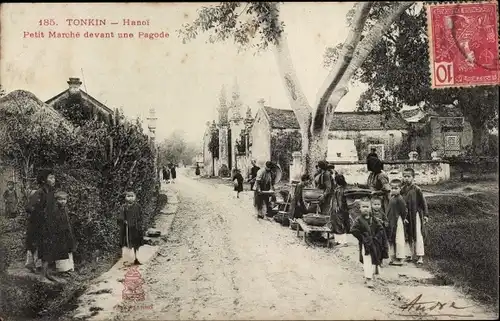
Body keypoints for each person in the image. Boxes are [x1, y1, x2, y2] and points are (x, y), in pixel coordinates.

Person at [25, 170, 57, 279]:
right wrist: (40, 214)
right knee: (41, 247)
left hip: (49, 224)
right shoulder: (39, 192)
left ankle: (46, 273)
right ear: (44, 180)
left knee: (48, 247)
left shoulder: (51, 192)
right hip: (39, 225)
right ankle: (42, 275)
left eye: (54, 178)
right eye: (51, 177)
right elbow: (29, 208)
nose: (54, 180)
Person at [350, 197, 388, 288]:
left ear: (370, 208)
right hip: (365, 244)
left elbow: (381, 228)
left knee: (374, 257)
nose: (365, 209)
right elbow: (353, 230)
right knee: (367, 259)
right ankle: (368, 279)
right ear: (360, 208)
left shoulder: (373, 219)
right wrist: (362, 237)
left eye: (367, 207)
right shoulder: (359, 220)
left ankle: (373, 271)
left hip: (374, 243)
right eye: (363, 207)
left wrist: (376, 237)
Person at [401, 168, 429, 265]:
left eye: (408, 176)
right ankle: (409, 254)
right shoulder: (402, 190)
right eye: (404, 176)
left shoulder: (417, 189)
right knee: (407, 233)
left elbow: (423, 202)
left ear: (413, 177)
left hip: (415, 214)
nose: (406, 178)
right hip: (406, 215)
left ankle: (420, 256)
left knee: (417, 234)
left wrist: (425, 215)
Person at [52, 191, 77, 276]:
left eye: (64, 199)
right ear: (56, 200)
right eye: (60, 199)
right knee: (61, 250)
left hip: (66, 232)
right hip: (59, 233)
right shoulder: (55, 210)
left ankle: (69, 268)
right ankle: (62, 270)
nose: (62, 201)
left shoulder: (65, 209)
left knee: (69, 249)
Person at [118, 189, 144, 266]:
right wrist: (123, 220)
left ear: (135, 197)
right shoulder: (123, 207)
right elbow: (121, 217)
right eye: (128, 196)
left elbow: (140, 216)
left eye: (132, 196)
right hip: (127, 229)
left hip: (135, 228)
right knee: (127, 244)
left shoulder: (138, 206)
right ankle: (127, 260)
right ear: (125, 197)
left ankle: (136, 258)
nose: (130, 198)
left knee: (136, 244)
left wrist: (140, 224)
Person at [386, 179, 408, 266]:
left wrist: (403, 218)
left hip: (397, 220)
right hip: (391, 221)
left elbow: (404, 210)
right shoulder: (392, 198)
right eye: (392, 188)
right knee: (392, 238)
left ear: (400, 189)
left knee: (399, 239)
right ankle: (393, 257)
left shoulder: (400, 199)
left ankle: (401, 258)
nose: (394, 190)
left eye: (396, 188)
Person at [312, 160, 334, 243]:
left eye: (318, 167)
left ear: (321, 168)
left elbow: (329, 187)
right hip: (324, 196)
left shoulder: (326, 174)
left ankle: (327, 233)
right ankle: (320, 233)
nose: (317, 168)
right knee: (321, 213)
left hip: (328, 197)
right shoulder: (322, 174)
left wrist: (323, 195)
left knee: (326, 213)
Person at [331, 174, 350, 246]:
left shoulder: (338, 190)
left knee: (339, 225)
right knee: (341, 224)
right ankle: (339, 241)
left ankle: (343, 242)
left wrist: (338, 207)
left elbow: (339, 200)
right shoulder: (344, 188)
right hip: (344, 209)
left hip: (338, 210)